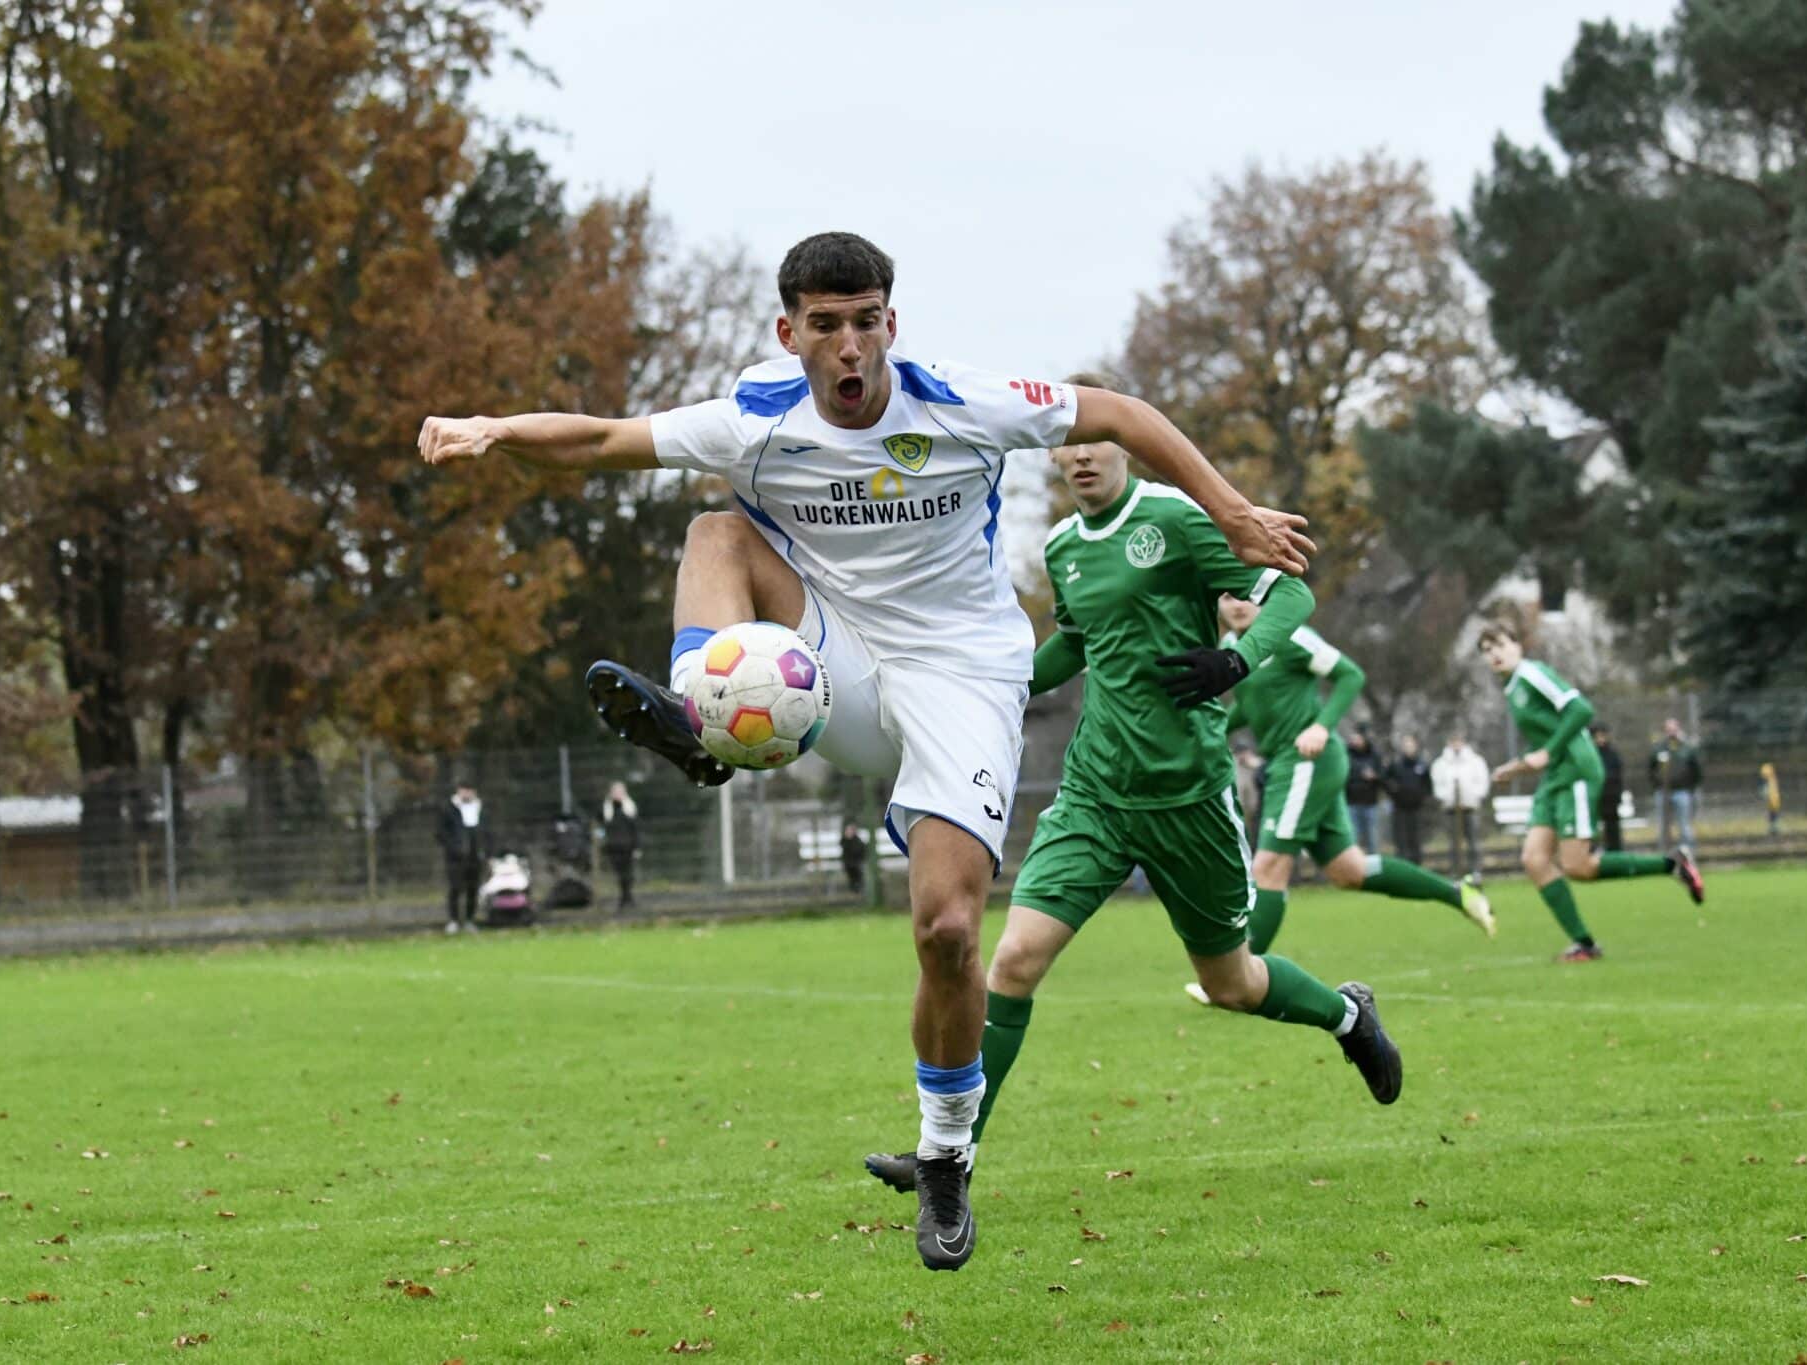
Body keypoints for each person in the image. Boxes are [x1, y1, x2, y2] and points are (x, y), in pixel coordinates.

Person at [417, 234, 1313, 1273]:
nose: (849, 345)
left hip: (962, 677)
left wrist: (1230, 512)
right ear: (788, 331)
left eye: (865, 320)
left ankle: (946, 1155)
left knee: (947, 930)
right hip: (832, 663)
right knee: (715, 533)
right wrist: (495, 430)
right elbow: (602, 440)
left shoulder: (958, 401)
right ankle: (699, 708)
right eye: (826, 324)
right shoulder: (756, 415)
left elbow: (1119, 414)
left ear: (891, 322)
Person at [860, 432, 1402, 1207]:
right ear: (1054, 458)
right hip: (1096, 794)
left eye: (1098, 441)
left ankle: (1348, 1015)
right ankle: (949, 1155)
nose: (1083, 456)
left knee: (1232, 983)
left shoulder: (1176, 517)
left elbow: (1292, 594)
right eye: (1069, 446)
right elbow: (1078, 644)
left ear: (1125, 448)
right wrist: (998, 684)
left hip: (1188, 795)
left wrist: (1236, 659)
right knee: (1012, 962)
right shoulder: (1062, 546)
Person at [1198, 601, 1493, 988]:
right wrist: (1208, 732)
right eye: (1225, 595)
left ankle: (1239, 979)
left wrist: (1321, 726)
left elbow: (1350, 675)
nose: (1236, 604)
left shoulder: (1288, 635)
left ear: (1263, 595)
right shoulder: (1232, 648)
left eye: (1244, 593)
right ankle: (1459, 894)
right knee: (1348, 871)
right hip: (1291, 764)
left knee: (1268, 867)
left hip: (1306, 761)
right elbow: (1252, 707)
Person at [1477, 623, 1703, 961]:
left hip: (1577, 772)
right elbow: (1547, 737)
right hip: (1555, 776)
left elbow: (1581, 709)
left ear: (1517, 645)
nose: (1494, 653)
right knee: (1534, 860)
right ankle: (1584, 944)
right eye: (1486, 650)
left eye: (1499, 644)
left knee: (1578, 866)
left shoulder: (1531, 674)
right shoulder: (1513, 688)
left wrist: (1549, 751)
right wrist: (1519, 766)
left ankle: (1672, 864)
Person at [1430, 734, 1490, 882]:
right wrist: (1449, 798)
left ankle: (1475, 872)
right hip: (1451, 809)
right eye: (1453, 741)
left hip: (1470, 807)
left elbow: (1482, 783)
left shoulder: (1475, 761)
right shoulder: (1441, 763)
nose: (1456, 744)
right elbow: (1438, 786)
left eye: (1458, 741)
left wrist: (1471, 798)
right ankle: (1456, 873)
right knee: (1454, 844)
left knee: (1474, 842)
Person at [436, 781, 487, 934]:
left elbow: (487, 832)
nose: (467, 793)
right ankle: (453, 920)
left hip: (475, 856)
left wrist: (486, 850)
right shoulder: (448, 809)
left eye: (470, 790)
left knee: (473, 889)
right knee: (455, 888)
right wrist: (454, 848)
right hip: (455, 857)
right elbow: (441, 833)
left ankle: (470, 920)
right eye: (464, 790)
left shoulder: (480, 809)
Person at [1647, 717, 1703, 857]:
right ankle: (1664, 854)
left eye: (1674, 729)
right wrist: (1656, 785)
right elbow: (1651, 769)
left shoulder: (1687, 748)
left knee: (1684, 825)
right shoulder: (1659, 748)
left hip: (1682, 792)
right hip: (1663, 793)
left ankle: (1688, 855)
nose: (1671, 732)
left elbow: (1696, 770)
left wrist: (1690, 787)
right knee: (1663, 826)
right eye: (1669, 729)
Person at [1384, 734, 1433, 864]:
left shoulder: (1422, 765)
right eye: (1406, 745)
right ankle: (1402, 866)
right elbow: (1386, 781)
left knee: (1415, 838)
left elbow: (1428, 785)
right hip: (1399, 807)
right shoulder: (1396, 765)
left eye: (1410, 745)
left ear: (1415, 746)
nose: (1408, 748)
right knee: (1401, 839)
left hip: (1416, 807)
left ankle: (1417, 865)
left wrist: (1422, 797)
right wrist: (1394, 793)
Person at [598, 782, 639, 910]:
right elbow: (599, 827)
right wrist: (601, 838)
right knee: (619, 873)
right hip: (612, 847)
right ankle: (625, 898)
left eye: (620, 791)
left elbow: (635, 829)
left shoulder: (630, 808)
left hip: (628, 847)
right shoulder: (605, 809)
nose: (617, 794)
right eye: (615, 791)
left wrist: (637, 847)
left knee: (628, 874)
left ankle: (627, 897)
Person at [1343, 730, 1384, 856]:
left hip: (1370, 802)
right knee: (1353, 836)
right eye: (1353, 739)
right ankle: (1354, 863)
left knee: (1372, 836)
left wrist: (1374, 776)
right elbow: (1343, 776)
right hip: (1352, 802)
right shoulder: (1346, 755)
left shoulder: (1374, 755)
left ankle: (1374, 863)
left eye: (1358, 738)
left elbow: (1383, 776)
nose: (1355, 741)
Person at [1591, 723, 1626, 853]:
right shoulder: (1590, 755)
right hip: (1594, 796)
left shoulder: (1612, 754)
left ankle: (1615, 851)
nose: (1600, 739)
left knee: (1612, 827)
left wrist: (1617, 795)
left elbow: (1618, 776)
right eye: (1597, 736)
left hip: (1610, 796)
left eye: (1602, 736)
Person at [839, 822, 869, 894]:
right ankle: (854, 890)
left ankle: (858, 890)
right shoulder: (845, 841)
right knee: (852, 879)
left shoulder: (857, 841)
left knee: (858, 879)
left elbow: (860, 851)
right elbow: (843, 846)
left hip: (856, 864)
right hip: (848, 865)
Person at [1760, 761, 1782, 836]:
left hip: (1772, 802)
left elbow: (1769, 793)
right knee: (1772, 816)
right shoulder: (1772, 780)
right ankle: (1773, 829)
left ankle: (1773, 829)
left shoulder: (1771, 781)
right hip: (1773, 802)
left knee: (1772, 816)